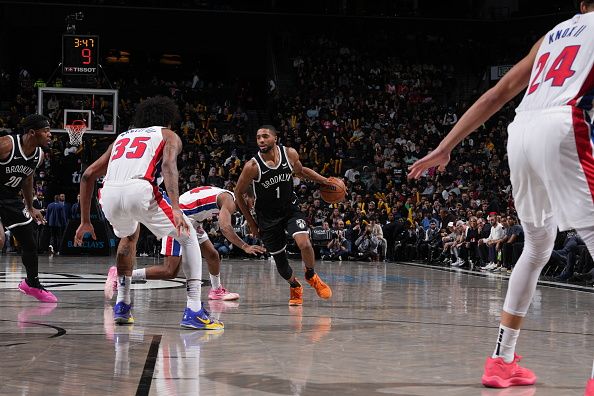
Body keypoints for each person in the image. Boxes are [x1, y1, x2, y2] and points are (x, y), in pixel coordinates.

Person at [408, 3, 594, 392]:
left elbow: (498, 93)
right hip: (565, 123)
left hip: (521, 130)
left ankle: (501, 360)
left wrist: (446, 146)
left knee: (538, 246)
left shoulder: (552, 35)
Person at [75, 96, 222, 330]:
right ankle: (194, 308)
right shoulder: (168, 135)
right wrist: (175, 207)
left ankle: (122, 305)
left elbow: (87, 175)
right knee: (187, 233)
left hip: (109, 193)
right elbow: (167, 165)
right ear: (168, 120)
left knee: (129, 238)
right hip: (139, 188)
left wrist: (85, 221)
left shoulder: (121, 138)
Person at [104, 185, 266, 300]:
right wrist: (245, 246)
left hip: (192, 219)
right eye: (253, 201)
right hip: (178, 218)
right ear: (245, 196)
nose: (253, 206)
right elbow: (224, 227)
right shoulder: (229, 201)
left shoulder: (227, 197)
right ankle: (122, 275)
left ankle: (216, 291)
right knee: (170, 271)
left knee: (213, 255)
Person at [234, 125, 333, 306]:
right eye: (258, 138)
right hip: (267, 218)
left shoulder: (290, 154)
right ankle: (294, 285)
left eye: (265, 136)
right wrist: (252, 224)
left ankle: (311, 275)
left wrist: (324, 181)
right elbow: (237, 193)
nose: (261, 140)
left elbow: (301, 171)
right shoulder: (252, 166)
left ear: (275, 138)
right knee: (281, 263)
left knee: (304, 242)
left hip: (290, 209)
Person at [1, 115, 55, 302]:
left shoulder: (38, 155)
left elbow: (27, 178)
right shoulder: (6, 145)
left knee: (29, 239)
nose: (50, 135)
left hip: (9, 199)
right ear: (32, 132)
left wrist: (30, 206)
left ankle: (31, 283)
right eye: (46, 131)